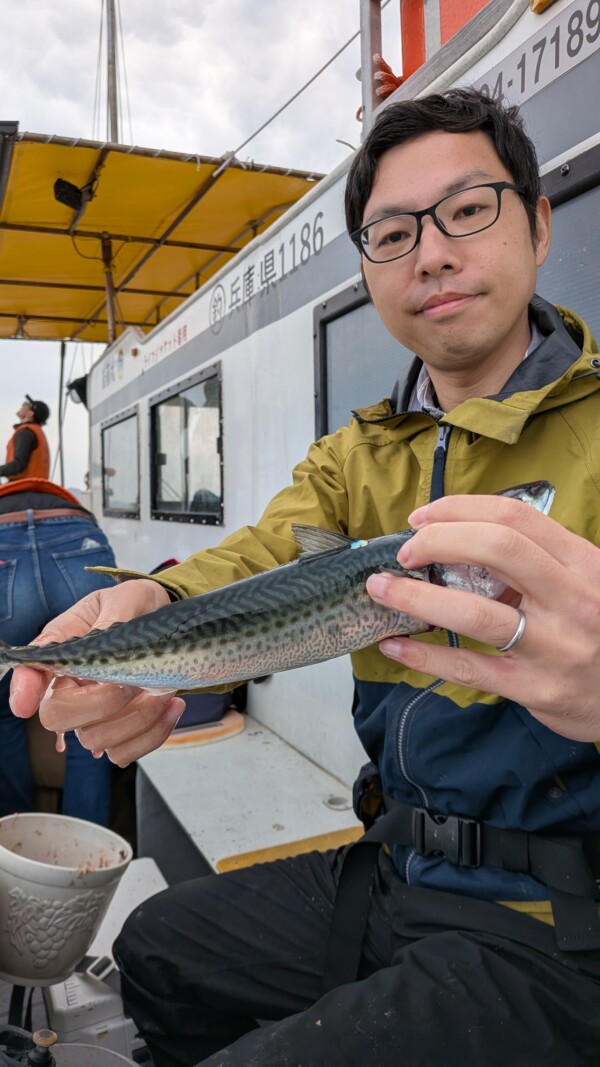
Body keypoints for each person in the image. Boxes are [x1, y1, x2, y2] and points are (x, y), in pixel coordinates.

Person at [8, 88, 600, 1065]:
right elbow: (262, 554)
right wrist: (156, 602)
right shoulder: (356, 455)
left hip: (557, 914)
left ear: (538, 222)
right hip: (400, 865)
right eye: (391, 232)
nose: (432, 252)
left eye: (467, 209)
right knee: (158, 945)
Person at [0, 476, 118, 825]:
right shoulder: (61, 497)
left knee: (5, 711)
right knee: (92, 709)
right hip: (76, 536)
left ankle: (14, 837)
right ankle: (85, 851)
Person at [0, 395, 51, 482]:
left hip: (23, 485)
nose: (22, 405)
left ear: (31, 413)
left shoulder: (25, 433)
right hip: (37, 485)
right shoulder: (36, 431)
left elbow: (19, 464)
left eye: (26, 404)